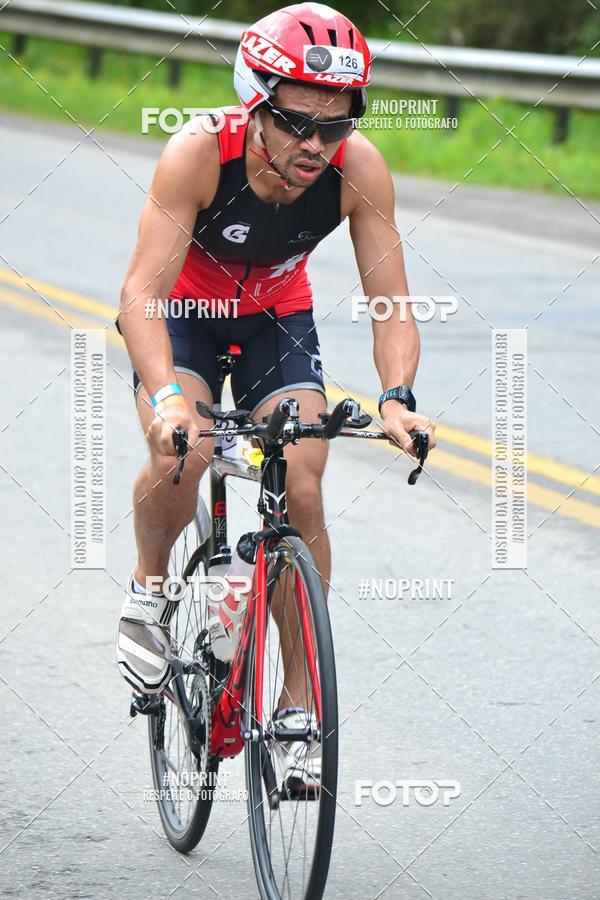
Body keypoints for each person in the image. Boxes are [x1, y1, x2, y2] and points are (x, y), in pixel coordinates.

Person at [115, 2, 436, 790]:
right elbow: (140, 294)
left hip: (275, 320)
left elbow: (391, 300)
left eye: (336, 125)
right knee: (186, 452)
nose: (316, 146)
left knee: (303, 484)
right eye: (296, 124)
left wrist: (397, 397)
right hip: (184, 318)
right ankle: (150, 590)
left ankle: (297, 706)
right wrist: (167, 400)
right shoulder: (198, 153)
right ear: (254, 103)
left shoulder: (359, 169)